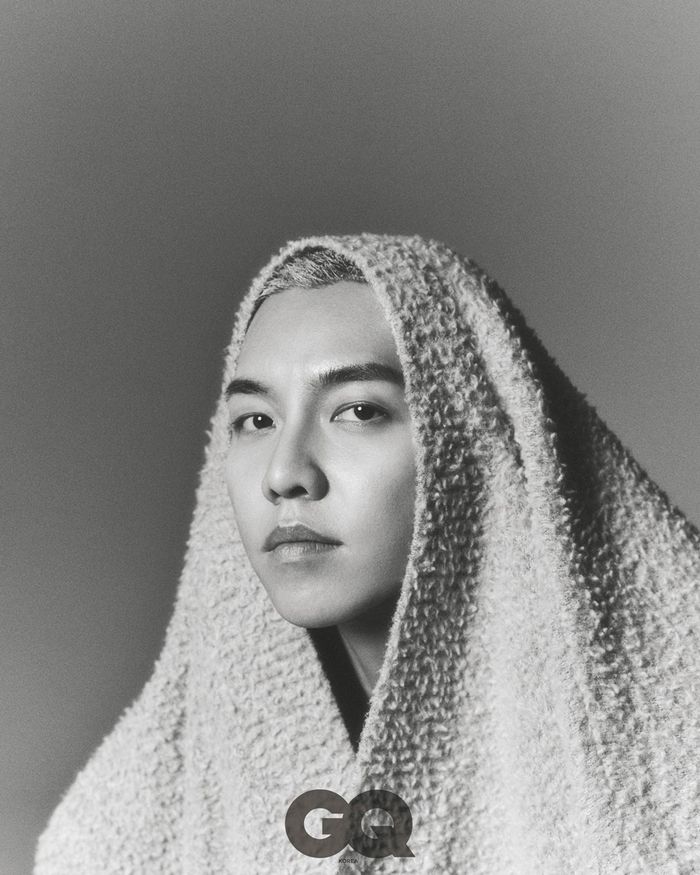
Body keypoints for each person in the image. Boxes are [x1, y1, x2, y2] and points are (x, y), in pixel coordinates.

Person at [35, 234, 700, 873]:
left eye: (357, 411)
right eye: (256, 420)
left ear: (470, 440)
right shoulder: (119, 827)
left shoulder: (674, 754)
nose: (284, 473)